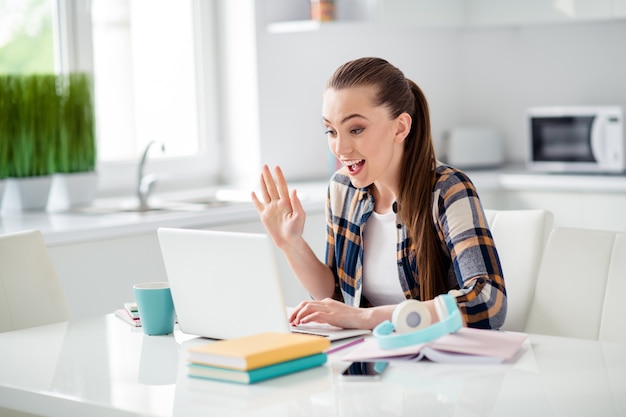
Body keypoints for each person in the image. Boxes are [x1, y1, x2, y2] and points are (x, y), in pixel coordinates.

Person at [251, 57, 506, 331]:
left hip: (437, 357)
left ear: (400, 127)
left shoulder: (448, 189)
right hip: (371, 352)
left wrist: (367, 318)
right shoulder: (342, 189)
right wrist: (290, 243)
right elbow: (335, 293)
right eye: (331, 130)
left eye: (356, 129)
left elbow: (488, 302)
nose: (340, 147)